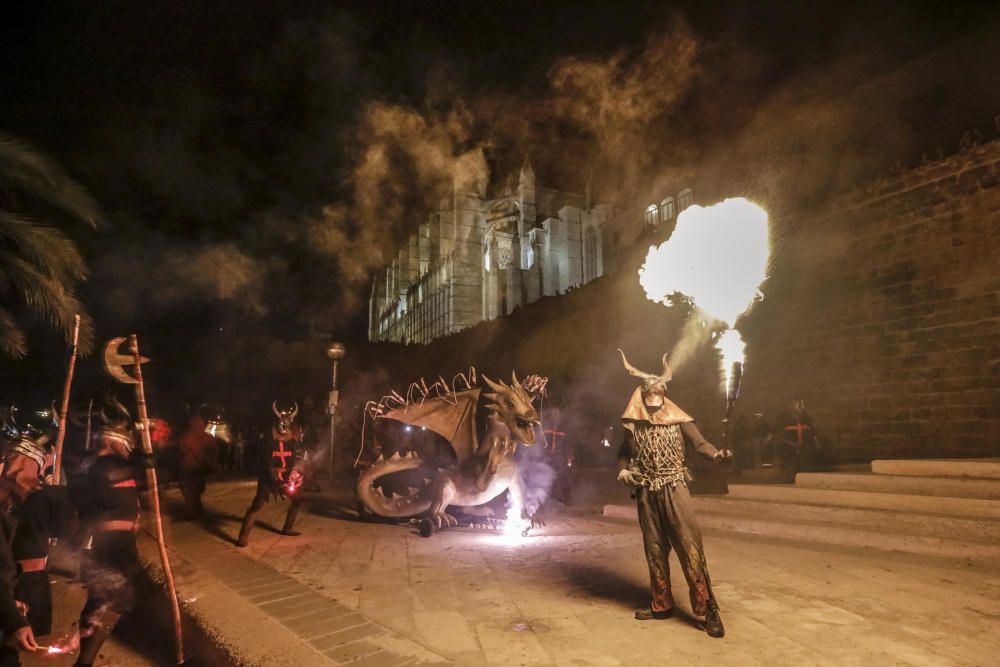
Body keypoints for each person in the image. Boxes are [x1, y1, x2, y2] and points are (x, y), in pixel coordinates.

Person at [615, 350, 731, 638]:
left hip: (674, 488)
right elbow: (623, 454)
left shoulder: (679, 419)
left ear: (664, 393)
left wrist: (718, 455)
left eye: (659, 390)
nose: (655, 394)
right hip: (645, 491)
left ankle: (708, 609)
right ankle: (661, 604)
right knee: (654, 549)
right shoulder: (634, 423)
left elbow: (701, 444)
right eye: (651, 391)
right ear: (642, 395)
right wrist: (624, 470)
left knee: (690, 547)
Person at [67, 397, 144, 667]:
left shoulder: (116, 465)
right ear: (111, 441)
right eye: (124, 442)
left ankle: (86, 657)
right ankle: (85, 660)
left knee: (108, 600)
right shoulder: (99, 466)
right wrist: (141, 466)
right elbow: (107, 478)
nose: (128, 448)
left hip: (119, 543)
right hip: (106, 545)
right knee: (109, 599)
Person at [236, 403, 304, 547]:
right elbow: (265, 463)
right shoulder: (266, 441)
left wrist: (295, 473)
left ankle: (288, 527)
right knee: (257, 505)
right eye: (281, 427)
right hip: (268, 479)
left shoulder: (293, 441)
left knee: (297, 499)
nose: (284, 431)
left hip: (286, 479)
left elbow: (297, 458)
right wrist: (273, 475)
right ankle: (243, 537)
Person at [177, 414, 217, 517]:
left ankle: (192, 511)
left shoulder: (188, 435)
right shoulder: (206, 436)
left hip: (188, 467)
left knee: (189, 490)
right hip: (199, 467)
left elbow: (182, 449)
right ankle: (197, 508)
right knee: (196, 489)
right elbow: (213, 449)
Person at [772, 399, 821, 472]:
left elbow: (812, 429)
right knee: (788, 462)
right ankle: (788, 475)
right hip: (788, 444)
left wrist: (817, 442)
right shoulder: (783, 416)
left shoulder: (806, 416)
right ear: (790, 405)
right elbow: (776, 430)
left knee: (803, 463)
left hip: (804, 445)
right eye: (797, 404)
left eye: (800, 404)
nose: (800, 406)